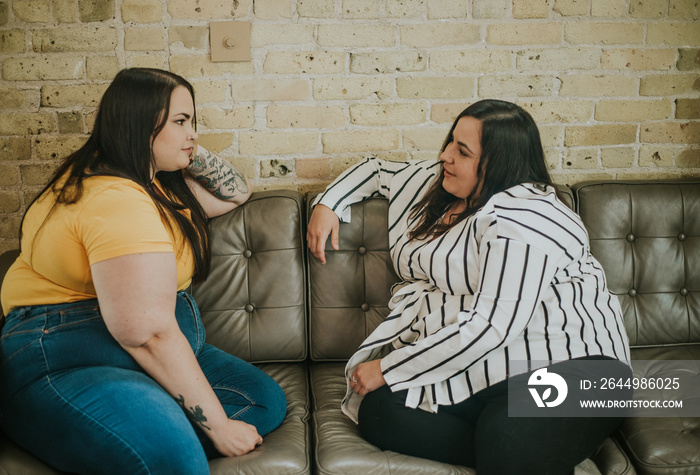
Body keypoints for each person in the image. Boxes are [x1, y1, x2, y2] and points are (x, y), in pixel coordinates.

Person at [307, 99, 631, 474]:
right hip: (491, 368)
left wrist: (388, 367)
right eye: (450, 142)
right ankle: (543, 452)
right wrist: (327, 204)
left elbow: (490, 327)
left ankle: (529, 447)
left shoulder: (526, 219)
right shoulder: (441, 183)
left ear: (498, 164)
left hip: (574, 365)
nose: (445, 156)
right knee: (382, 412)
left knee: (506, 433)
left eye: (462, 151)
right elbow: (377, 169)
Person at [0, 68, 286, 475]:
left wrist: (184, 146)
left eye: (193, 121)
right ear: (139, 124)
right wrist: (218, 426)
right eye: (181, 122)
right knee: (175, 458)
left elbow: (237, 192)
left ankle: (131, 420)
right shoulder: (115, 199)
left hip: (134, 349)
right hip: (69, 352)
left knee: (262, 399)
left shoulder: (155, 185)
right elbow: (146, 332)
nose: (193, 134)